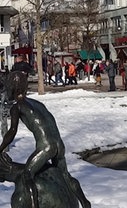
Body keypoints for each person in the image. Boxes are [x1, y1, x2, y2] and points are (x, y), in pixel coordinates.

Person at [0, 71, 91, 208]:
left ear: (11, 88)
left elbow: (12, 132)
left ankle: (33, 205)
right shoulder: (36, 103)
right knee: (65, 175)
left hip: (46, 147)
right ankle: (85, 202)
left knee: (27, 176)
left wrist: (0, 148)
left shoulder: (17, 107)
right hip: (59, 145)